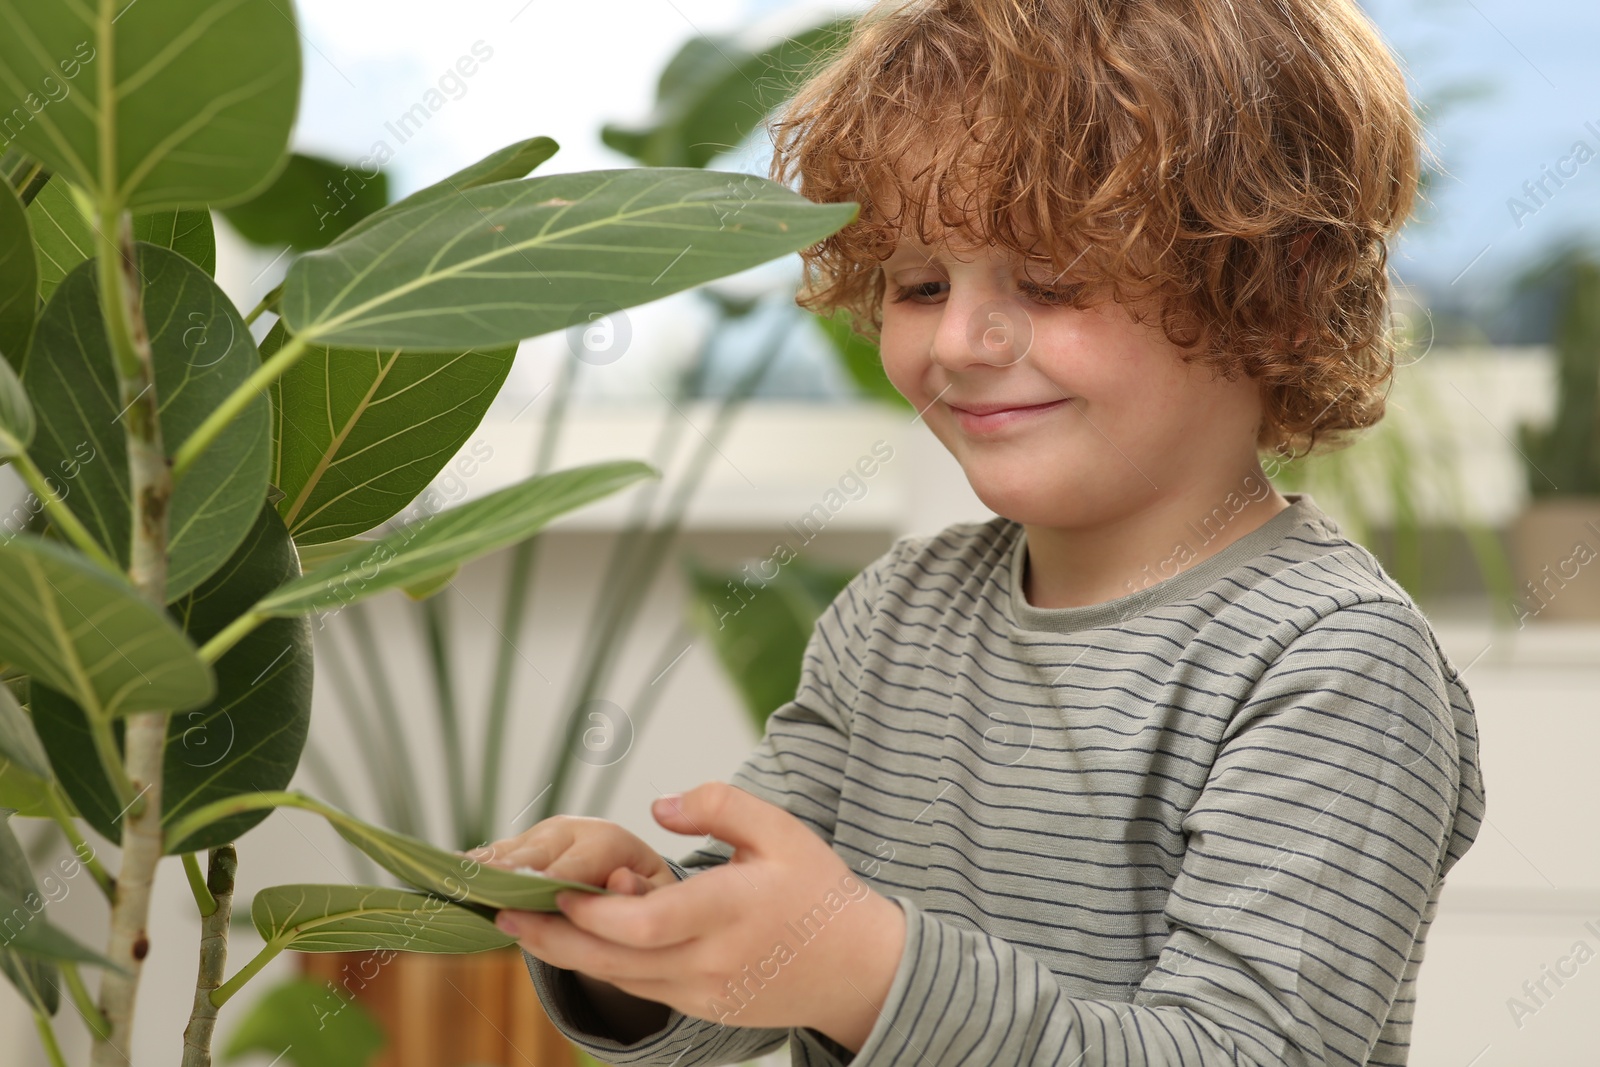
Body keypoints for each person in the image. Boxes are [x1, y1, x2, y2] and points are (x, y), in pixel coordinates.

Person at [477, 0, 1487, 1063]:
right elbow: (755, 977)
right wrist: (635, 936)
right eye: (918, 284)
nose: (958, 339)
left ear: (1275, 290)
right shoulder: (894, 617)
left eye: (1049, 281)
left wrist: (869, 974)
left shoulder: (1333, 660)